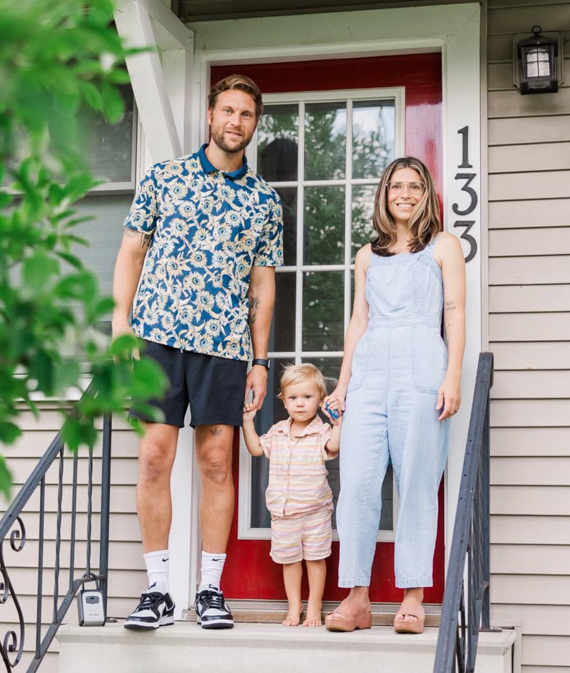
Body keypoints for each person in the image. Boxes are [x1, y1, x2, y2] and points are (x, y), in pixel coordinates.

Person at [111, 75, 283, 630]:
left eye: (247, 115)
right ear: (210, 117)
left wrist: (260, 360)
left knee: (215, 464)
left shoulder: (264, 200)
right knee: (154, 458)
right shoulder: (163, 178)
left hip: (225, 347)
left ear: (255, 125)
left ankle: (210, 589)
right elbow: (132, 252)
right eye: (228, 111)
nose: (236, 122)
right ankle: (158, 591)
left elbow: (262, 284)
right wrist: (121, 327)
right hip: (157, 338)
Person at [323, 157, 465, 634]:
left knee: (417, 483)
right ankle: (357, 597)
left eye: (415, 185)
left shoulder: (444, 246)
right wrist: (343, 383)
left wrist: (453, 376)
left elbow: (455, 312)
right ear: (384, 194)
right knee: (359, 485)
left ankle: (413, 594)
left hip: (422, 363)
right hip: (370, 371)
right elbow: (358, 321)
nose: (405, 194)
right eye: (396, 186)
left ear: (427, 193)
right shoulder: (368, 255)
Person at [242, 364, 342, 627]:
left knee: (315, 559)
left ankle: (314, 606)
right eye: (293, 398)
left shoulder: (321, 432)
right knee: (290, 561)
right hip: (284, 512)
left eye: (307, 398)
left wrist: (338, 423)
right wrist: (247, 422)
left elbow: (334, 446)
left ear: (320, 401)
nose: (300, 404)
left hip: (314, 511)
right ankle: (294, 606)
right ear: (284, 401)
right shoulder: (277, 432)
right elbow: (255, 449)